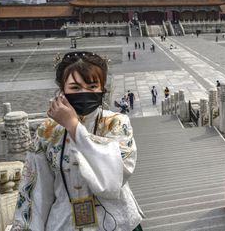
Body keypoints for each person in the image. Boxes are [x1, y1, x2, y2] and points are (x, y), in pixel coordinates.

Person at [11, 51, 143, 230]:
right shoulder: (47, 132)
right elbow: (37, 191)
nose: (84, 93)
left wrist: (73, 127)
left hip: (116, 222)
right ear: (61, 89)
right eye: (75, 87)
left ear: (102, 88)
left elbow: (116, 176)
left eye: (92, 86)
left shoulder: (116, 123)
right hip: (64, 222)